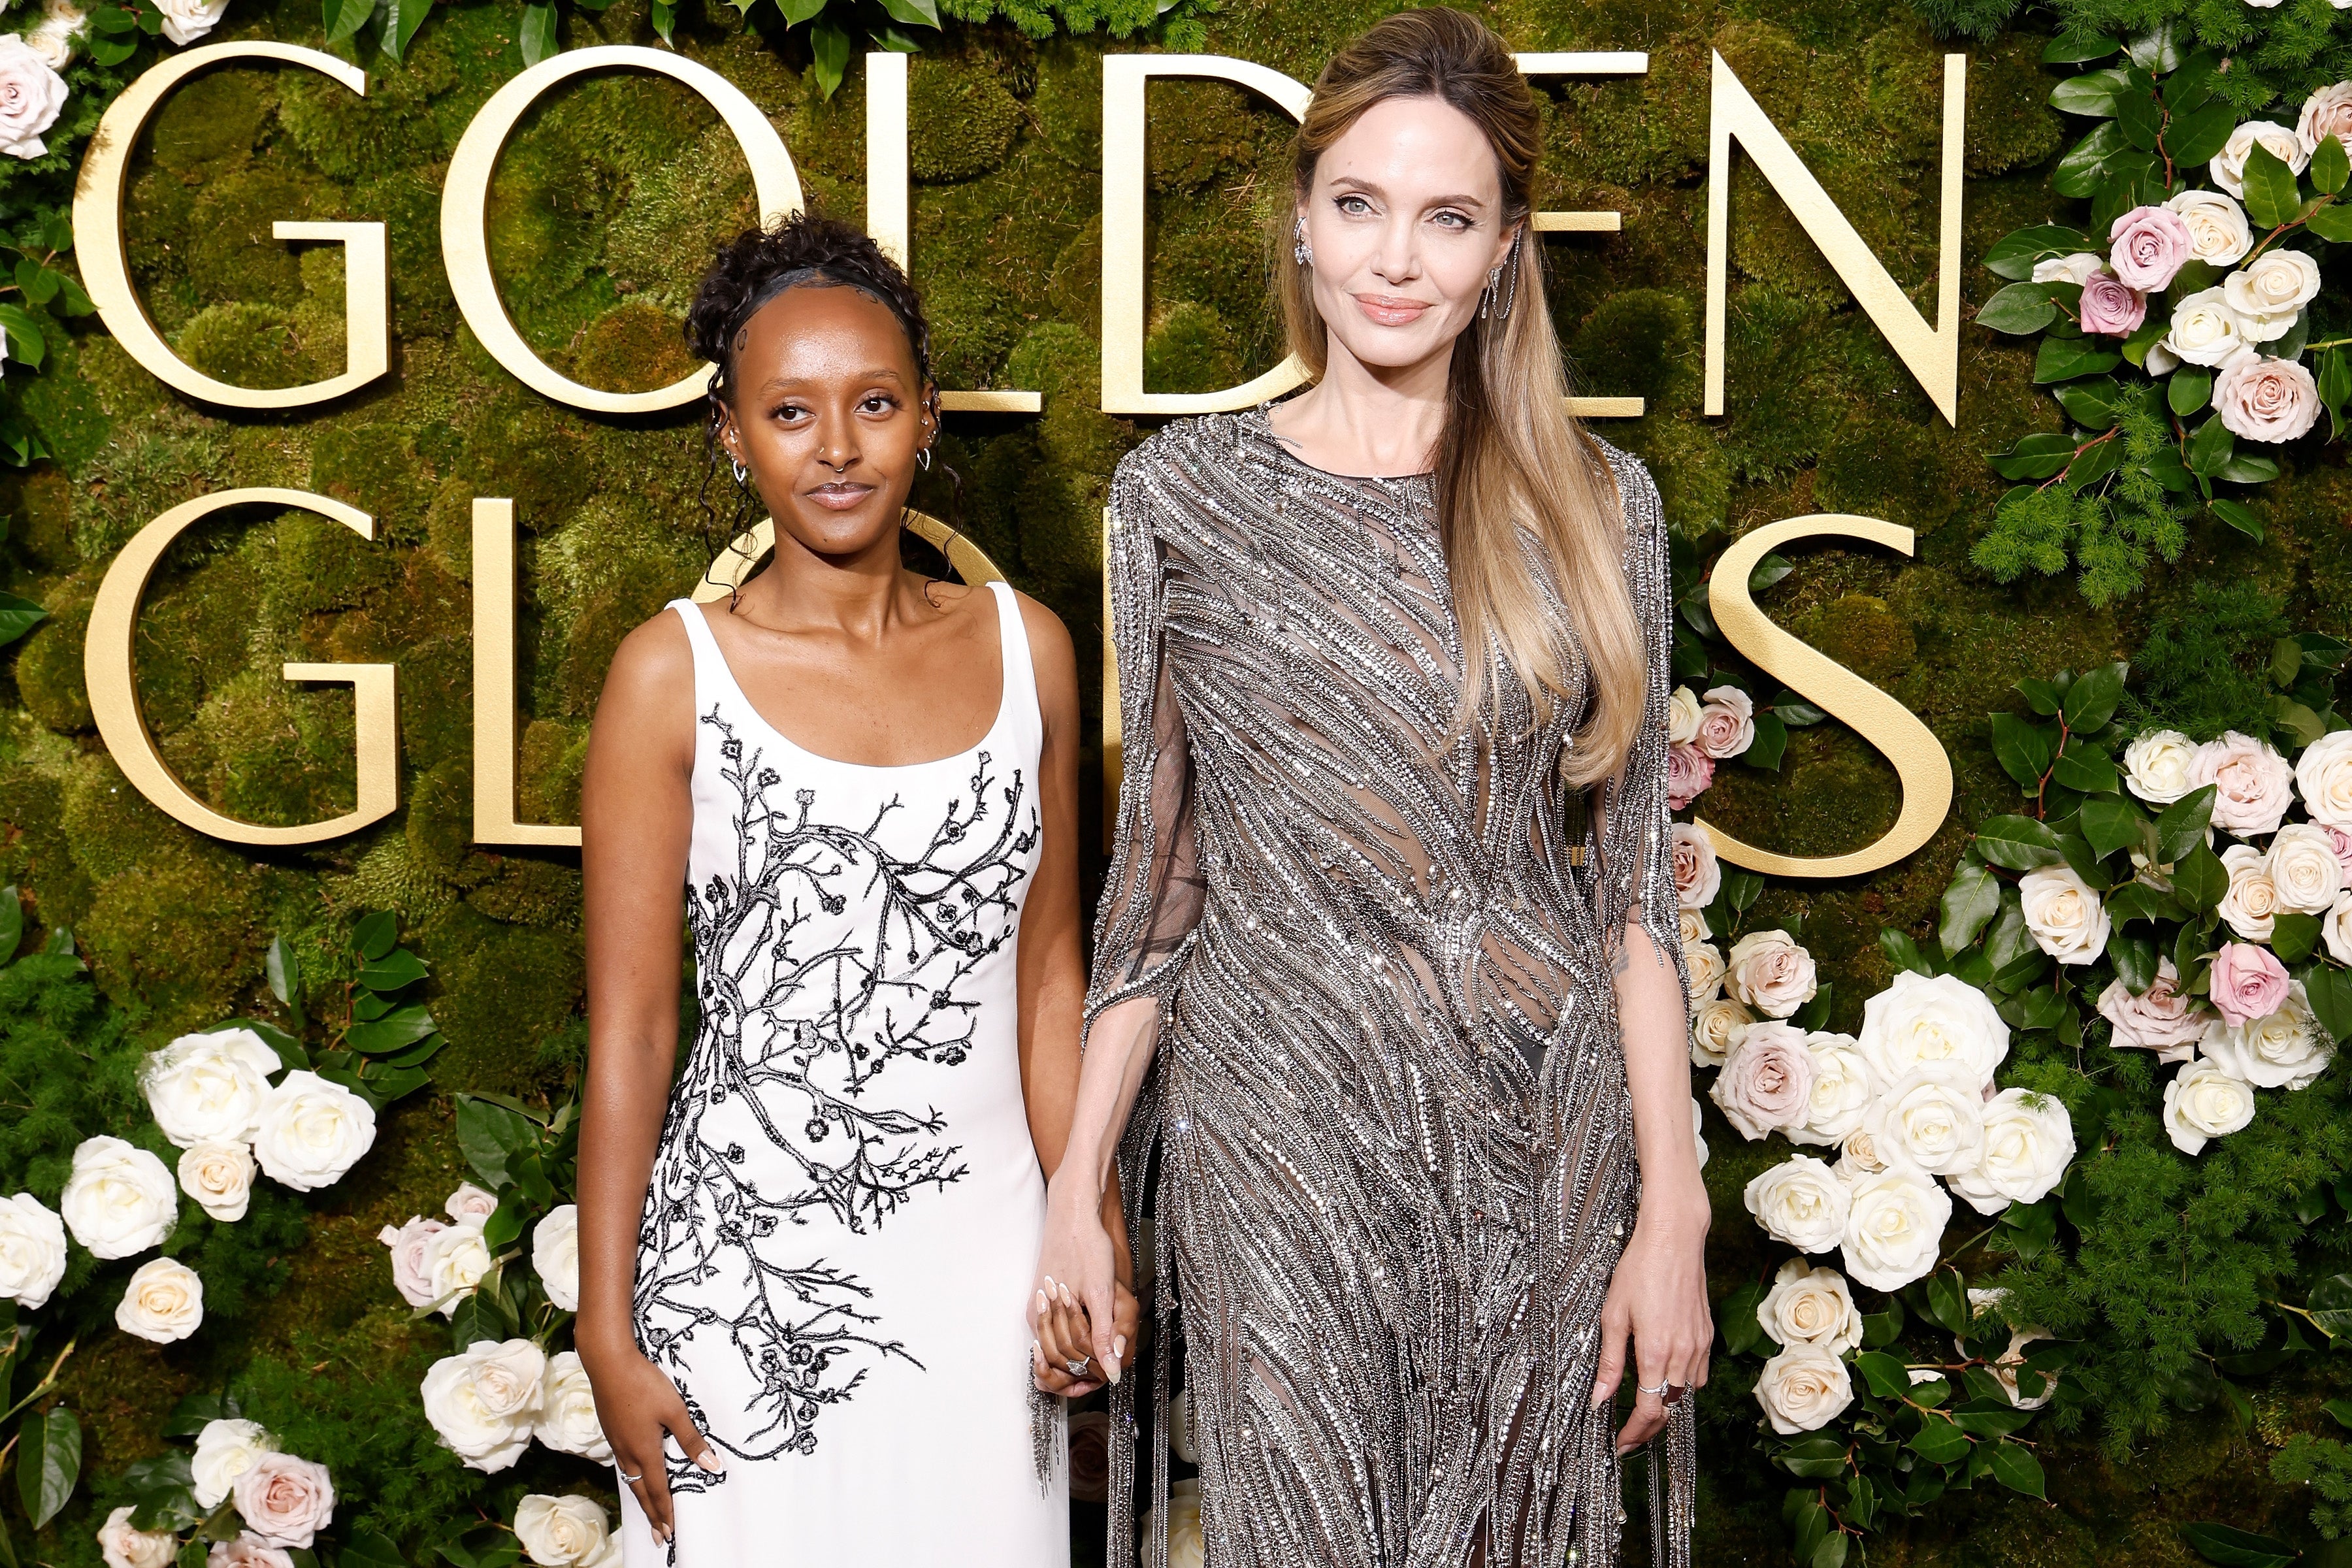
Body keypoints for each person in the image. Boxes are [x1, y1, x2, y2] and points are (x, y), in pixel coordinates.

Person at [1028, 10, 1710, 1567]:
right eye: (1360, 205)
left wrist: (1675, 1214)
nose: (1396, 259)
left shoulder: (1597, 504)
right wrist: (1080, 1190)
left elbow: (1630, 911)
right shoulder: (1181, 494)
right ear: (1303, 218)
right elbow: (1157, 890)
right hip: (1281, 1140)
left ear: (1504, 252)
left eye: (1447, 217)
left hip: (1541, 1141)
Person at [573, 213, 1133, 1568]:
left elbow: (1050, 979)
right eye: (790, 412)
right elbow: (636, 1034)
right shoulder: (669, 674)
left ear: (926, 415)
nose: (837, 448)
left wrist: (1093, 1231)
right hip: (740, 1286)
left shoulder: (1031, 649)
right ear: (731, 432)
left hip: (988, 1278)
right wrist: (605, 1328)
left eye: (874, 404)